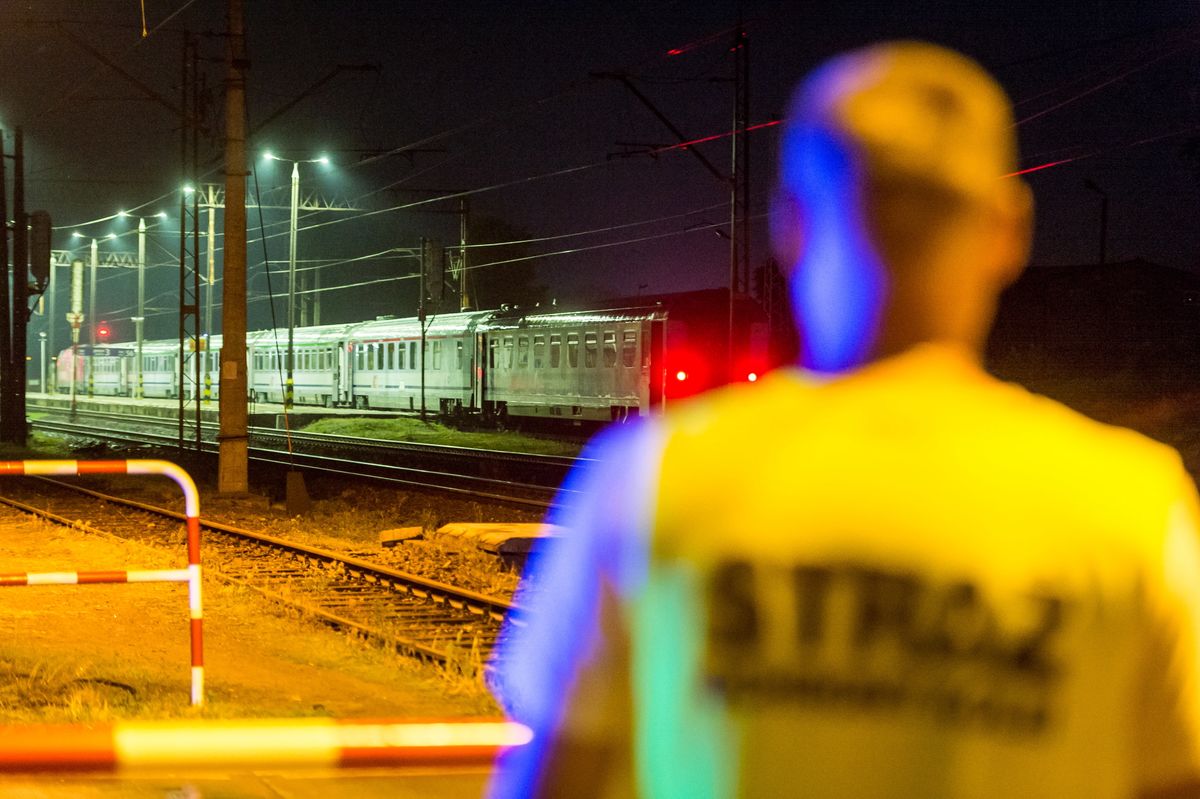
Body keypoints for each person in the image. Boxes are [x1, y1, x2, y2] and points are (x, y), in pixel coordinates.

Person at [488, 41, 1200, 799]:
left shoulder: (650, 479)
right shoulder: (1131, 508)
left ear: (790, 225)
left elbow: (550, 782)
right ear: (1008, 230)